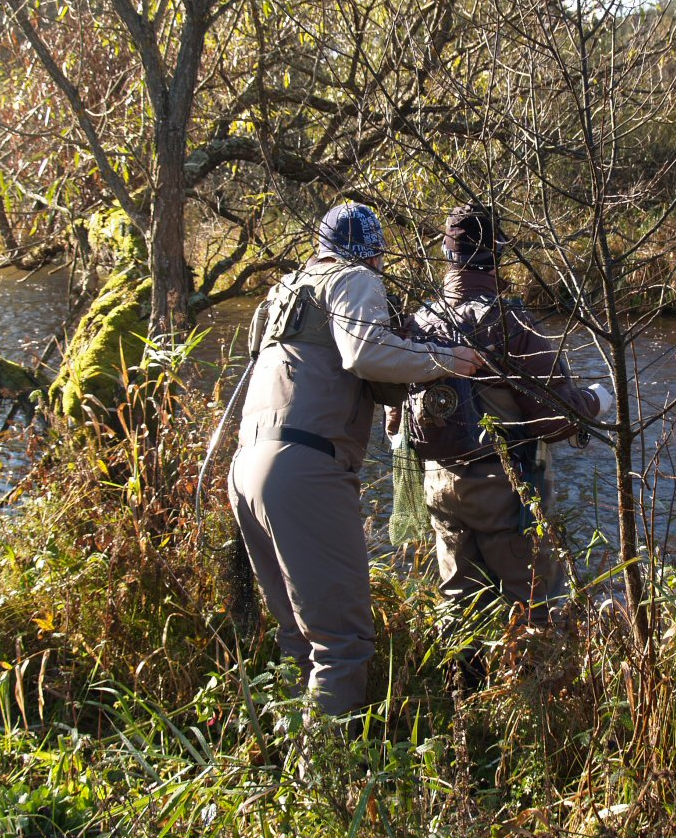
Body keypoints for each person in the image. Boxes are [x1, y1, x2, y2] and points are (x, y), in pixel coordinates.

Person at [228, 202, 481, 718]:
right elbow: (363, 354)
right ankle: (325, 787)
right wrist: (450, 360)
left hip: (247, 468)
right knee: (342, 645)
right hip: (304, 471)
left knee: (300, 638)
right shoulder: (354, 280)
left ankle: (290, 764)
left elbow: (353, 370)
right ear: (374, 255)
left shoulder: (289, 288)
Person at [399, 203, 613, 630]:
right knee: (538, 607)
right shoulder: (509, 319)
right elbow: (556, 419)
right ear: (497, 256)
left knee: (459, 612)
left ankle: (467, 693)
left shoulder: (419, 321)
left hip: (438, 483)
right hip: (504, 488)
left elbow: (395, 420)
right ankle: (539, 691)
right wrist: (596, 400)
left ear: (447, 253)